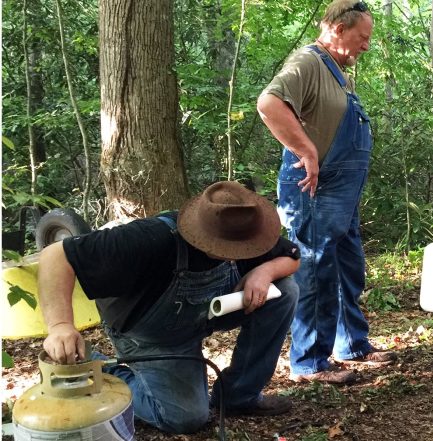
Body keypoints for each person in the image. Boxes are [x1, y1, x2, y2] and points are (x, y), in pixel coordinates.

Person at [38, 181, 301, 434]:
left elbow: (291, 257)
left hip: (208, 312)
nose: (247, 252)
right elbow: (56, 255)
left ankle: (237, 396)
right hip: (149, 334)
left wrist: (264, 272)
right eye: (237, 249)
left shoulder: (245, 226)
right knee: (185, 418)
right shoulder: (150, 238)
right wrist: (60, 326)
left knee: (284, 292)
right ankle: (95, 366)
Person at [256, 0, 395, 385]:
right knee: (315, 267)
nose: (366, 45)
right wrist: (305, 150)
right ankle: (309, 361)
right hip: (314, 188)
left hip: (341, 194)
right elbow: (269, 104)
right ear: (336, 27)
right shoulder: (309, 62)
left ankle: (350, 343)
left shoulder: (337, 74)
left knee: (348, 265)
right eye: (361, 37)